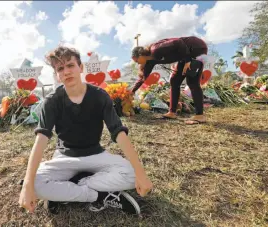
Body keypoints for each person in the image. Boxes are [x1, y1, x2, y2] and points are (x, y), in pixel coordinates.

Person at [18, 46, 153, 215]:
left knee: (133, 175)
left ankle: (66, 190)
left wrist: (141, 174)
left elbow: (118, 132)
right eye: (60, 68)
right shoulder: (51, 101)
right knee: (34, 184)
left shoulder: (100, 96)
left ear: (80, 68)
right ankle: (98, 195)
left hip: (95, 154)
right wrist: (27, 186)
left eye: (70, 65)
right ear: (56, 75)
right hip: (65, 157)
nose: (66, 72)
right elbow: (40, 141)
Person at [131, 36, 208, 125]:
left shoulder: (156, 49)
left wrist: (187, 61)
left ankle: (200, 116)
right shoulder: (150, 61)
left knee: (192, 82)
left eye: (137, 61)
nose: (137, 63)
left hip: (196, 48)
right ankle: (172, 112)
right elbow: (143, 78)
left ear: (140, 55)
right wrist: (132, 91)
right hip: (184, 56)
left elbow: (178, 42)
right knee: (174, 81)